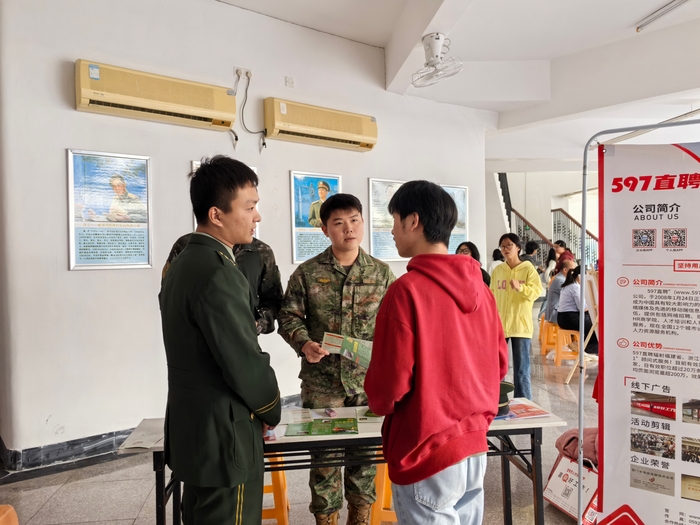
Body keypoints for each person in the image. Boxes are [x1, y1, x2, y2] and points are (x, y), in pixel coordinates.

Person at [365, 180, 508, 525]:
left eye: (394, 220)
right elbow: (500, 364)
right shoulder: (482, 289)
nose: (392, 231)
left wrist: (379, 402)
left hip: (424, 447)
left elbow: (389, 385)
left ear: (413, 221)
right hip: (474, 444)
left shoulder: (406, 291)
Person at [159, 156, 281, 524]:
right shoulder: (218, 271)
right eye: (249, 206)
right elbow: (243, 360)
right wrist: (270, 408)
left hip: (193, 429)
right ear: (216, 214)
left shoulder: (184, 262)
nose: (257, 216)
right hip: (226, 434)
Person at [278, 193, 396, 525]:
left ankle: (360, 518)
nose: (349, 229)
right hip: (322, 384)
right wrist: (304, 344)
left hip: (367, 383)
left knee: (364, 460)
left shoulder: (382, 274)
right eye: (339, 223)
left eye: (354, 220)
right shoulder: (307, 273)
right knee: (324, 461)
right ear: (325, 229)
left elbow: (397, 324)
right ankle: (326, 519)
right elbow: (288, 317)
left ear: (363, 222)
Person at [162, 234, 283, 335]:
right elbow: (167, 294)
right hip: (192, 341)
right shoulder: (185, 245)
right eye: (248, 212)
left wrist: (257, 323)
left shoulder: (261, 252)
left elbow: (274, 301)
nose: (256, 218)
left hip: (241, 342)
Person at [490, 233, 543, 400]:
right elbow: (491, 295)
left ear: (518, 248)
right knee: (498, 368)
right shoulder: (498, 270)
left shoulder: (528, 269)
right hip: (500, 325)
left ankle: (524, 403)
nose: (505, 249)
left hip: (521, 325)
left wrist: (521, 288)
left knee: (521, 369)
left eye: (509, 245)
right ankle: (498, 402)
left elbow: (537, 292)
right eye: (502, 246)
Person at [557, 265, 599, 355]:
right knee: (594, 325)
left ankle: (587, 347)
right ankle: (591, 349)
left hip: (563, 318)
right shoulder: (575, 287)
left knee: (590, 321)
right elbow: (582, 308)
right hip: (569, 319)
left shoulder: (568, 285)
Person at [545, 259, 577, 324]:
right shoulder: (561, 281)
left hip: (556, 312)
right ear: (565, 270)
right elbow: (572, 296)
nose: (574, 273)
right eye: (573, 270)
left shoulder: (561, 278)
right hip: (555, 314)